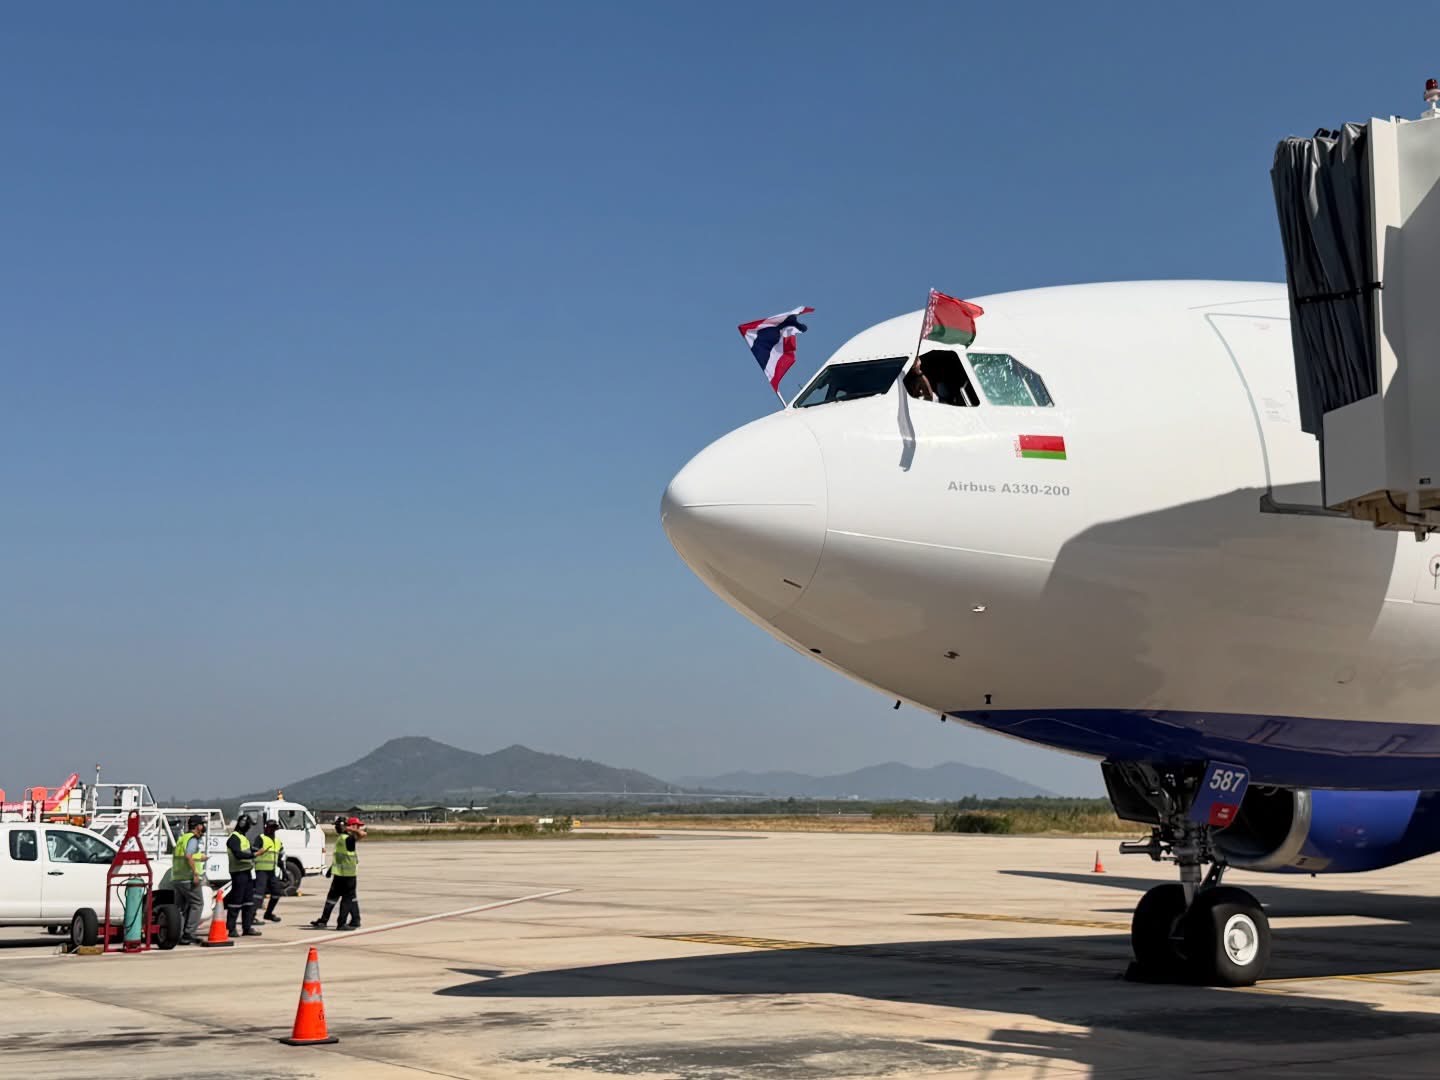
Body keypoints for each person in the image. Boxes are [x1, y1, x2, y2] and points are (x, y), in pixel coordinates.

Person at [309, 815, 365, 931]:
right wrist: (352, 830)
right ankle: (341, 923)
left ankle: (325, 920)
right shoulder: (348, 839)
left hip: (338, 875)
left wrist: (330, 870)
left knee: (332, 898)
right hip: (348, 876)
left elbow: (338, 858)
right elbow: (362, 835)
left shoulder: (340, 839)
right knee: (347, 900)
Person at [171, 815, 208, 946]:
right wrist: (196, 874)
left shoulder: (182, 838)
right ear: (197, 826)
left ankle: (178, 934)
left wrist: (199, 857)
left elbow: (187, 855)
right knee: (197, 904)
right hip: (188, 878)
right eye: (202, 824)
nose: (203, 827)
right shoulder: (192, 839)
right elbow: (188, 855)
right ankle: (189, 934)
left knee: (180, 908)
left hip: (178, 877)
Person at [225, 813, 263, 937]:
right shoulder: (234, 838)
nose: (249, 828)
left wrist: (255, 851)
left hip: (247, 873)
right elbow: (238, 854)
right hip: (238, 874)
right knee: (236, 901)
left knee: (248, 901)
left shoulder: (243, 838)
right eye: (248, 825)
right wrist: (255, 855)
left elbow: (247, 850)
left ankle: (247, 927)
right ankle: (231, 928)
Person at [253, 819, 286, 924]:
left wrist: (284, 873)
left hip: (272, 872)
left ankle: (268, 913)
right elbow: (253, 853)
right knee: (259, 895)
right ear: (265, 828)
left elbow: (279, 858)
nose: (271, 830)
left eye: (273, 828)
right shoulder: (260, 838)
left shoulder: (277, 841)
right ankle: (252, 916)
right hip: (261, 871)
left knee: (277, 893)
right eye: (269, 827)